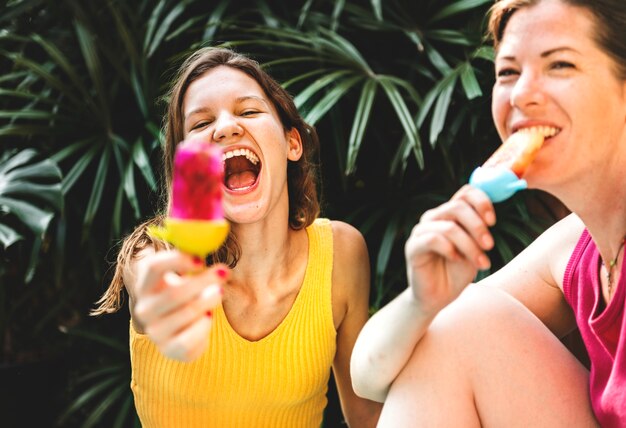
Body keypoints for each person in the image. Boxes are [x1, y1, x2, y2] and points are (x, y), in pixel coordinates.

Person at [351, 0, 626, 426]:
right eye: (508, 72)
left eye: (560, 66)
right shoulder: (580, 247)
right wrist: (423, 302)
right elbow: (367, 377)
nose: (520, 94)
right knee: (460, 321)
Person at [92, 46, 382, 427]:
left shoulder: (342, 253)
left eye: (248, 111)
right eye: (199, 124)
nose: (226, 127)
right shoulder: (153, 252)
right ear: (185, 164)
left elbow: (365, 414)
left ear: (291, 142)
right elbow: (149, 281)